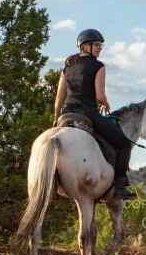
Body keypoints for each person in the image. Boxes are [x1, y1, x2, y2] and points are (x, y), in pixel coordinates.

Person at [53, 29, 136, 200]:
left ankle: (53, 182)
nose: (99, 48)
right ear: (85, 46)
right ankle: (120, 187)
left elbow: (59, 96)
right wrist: (106, 105)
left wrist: (55, 118)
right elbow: (100, 96)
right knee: (125, 144)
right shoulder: (98, 66)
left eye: (100, 46)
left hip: (66, 114)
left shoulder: (67, 67)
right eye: (97, 45)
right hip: (88, 113)